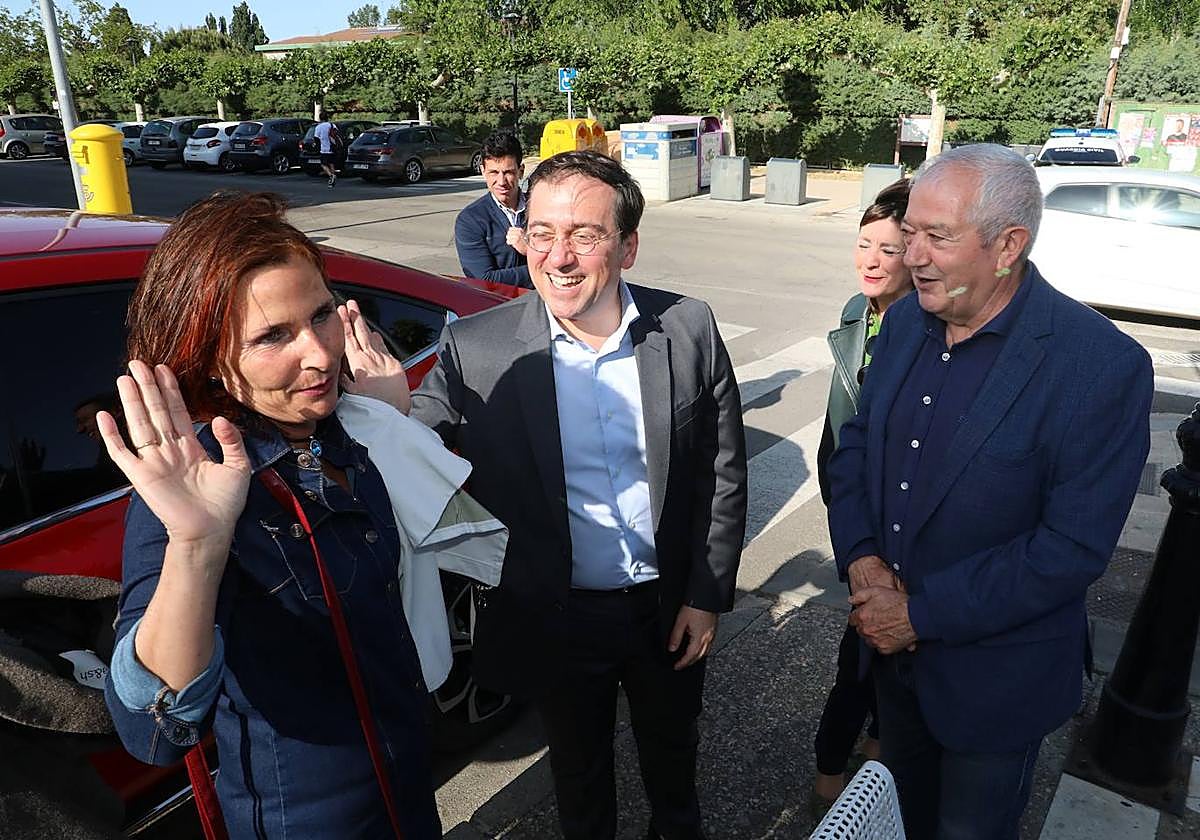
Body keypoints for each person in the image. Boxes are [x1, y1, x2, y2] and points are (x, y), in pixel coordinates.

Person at [412, 150, 748, 839]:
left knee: (673, 762)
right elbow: (408, 452)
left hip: (665, 610)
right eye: (540, 233)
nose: (558, 257)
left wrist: (705, 595)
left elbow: (721, 471)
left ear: (627, 246)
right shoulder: (476, 348)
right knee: (579, 778)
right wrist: (374, 410)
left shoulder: (687, 327)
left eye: (584, 235)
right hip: (558, 617)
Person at [827, 144, 1153, 839]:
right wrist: (861, 561)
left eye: (937, 237)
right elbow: (855, 447)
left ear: (1008, 246)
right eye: (909, 232)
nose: (911, 256)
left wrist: (919, 615)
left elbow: (1070, 548)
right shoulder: (905, 321)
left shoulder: (1100, 365)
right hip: (890, 664)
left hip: (996, 686)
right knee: (900, 818)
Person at [101, 192, 440, 839]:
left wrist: (387, 420)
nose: (320, 356)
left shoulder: (339, 428)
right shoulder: (198, 490)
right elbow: (153, 730)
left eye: (322, 315)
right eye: (272, 336)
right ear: (207, 356)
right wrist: (197, 545)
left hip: (407, 791)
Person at [812, 178, 912, 805]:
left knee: (877, 649)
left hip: (901, 517)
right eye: (863, 244)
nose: (871, 261)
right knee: (864, 647)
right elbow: (838, 426)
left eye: (889, 249)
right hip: (856, 512)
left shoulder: (927, 327)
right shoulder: (858, 311)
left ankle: (864, 750)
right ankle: (832, 770)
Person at [453, 130, 533, 288]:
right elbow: (484, 280)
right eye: (494, 173)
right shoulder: (470, 220)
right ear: (483, 172)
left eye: (508, 172)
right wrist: (542, 266)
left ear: (521, 171)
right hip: (499, 302)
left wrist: (529, 250)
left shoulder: (543, 208)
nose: (501, 181)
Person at [313, 112, 340, 187]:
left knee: (323, 164)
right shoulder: (332, 125)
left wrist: (317, 147)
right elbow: (337, 134)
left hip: (324, 149)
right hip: (333, 147)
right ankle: (333, 178)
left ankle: (331, 176)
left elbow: (316, 138)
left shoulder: (318, 127)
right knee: (331, 163)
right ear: (327, 118)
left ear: (320, 118)